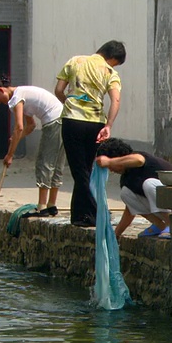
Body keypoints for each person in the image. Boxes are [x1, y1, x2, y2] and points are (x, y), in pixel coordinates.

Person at [54, 40, 126, 227]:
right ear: (112, 58)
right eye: (114, 63)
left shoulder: (75, 61)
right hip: (96, 123)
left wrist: (70, 104)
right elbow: (115, 101)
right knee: (85, 169)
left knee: (79, 171)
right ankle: (80, 216)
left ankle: (96, 211)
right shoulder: (110, 73)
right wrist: (108, 125)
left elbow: (59, 90)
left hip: (72, 121)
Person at [0, 77, 65, 216]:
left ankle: (42, 207)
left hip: (54, 122)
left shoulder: (17, 97)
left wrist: (10, 155)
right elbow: (30, 126)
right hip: (63, 119)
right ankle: (51, 205)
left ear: (0, 90)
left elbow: (19, 127)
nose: (0, 103)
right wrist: (17, 138)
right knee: (56, 164)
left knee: (45, 163)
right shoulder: (22, 94)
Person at [95, 138, 172, 239]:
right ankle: (159, 224)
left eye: (111, 165)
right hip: (164, 204)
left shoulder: (138, 157)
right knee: (126, 193)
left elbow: (139, 160)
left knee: (149, 184)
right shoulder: (126, 179)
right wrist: (116, 233)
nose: (110, 169)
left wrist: (109, 161)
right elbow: (130, 209)